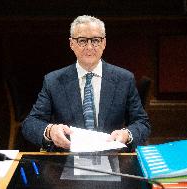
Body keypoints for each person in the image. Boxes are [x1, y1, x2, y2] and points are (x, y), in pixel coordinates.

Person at [22, 15, 151, 152]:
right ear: (72, 44)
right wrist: (50, 131)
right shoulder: (53, 81)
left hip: (111, 155)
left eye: (95, 40)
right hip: (68, 156)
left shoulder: (124, 79)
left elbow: (142, 123)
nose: (89, 47)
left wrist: (127, 134)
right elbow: (30, 124)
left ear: (104, 43)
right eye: (82, 41)